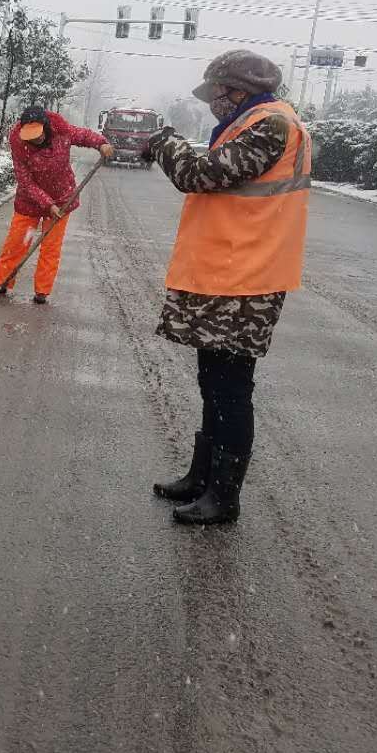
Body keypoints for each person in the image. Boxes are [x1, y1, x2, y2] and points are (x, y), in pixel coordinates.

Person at [141, 50, 311, 525]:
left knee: (230, 388)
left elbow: (200, 174)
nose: (213, 103)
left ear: (238, 90)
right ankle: (203, 478)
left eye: (217, 93)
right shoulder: (252, 121)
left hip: (249, 278)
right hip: (231, 271)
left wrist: (165, 143)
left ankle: (224, 496)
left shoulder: (271, 125)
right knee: (212, 381)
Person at [0, 106, 113, 303]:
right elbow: (25, 181)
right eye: (30, 135)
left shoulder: (61, 132)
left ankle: (42, 291)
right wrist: (48, 204)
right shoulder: (19, 143)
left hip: (62, 200)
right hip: (29, 203)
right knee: (17, 243)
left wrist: (102, 144)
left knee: (50, 247)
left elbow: (83, 135)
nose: (34, 139)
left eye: (37, 134)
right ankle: (1, 283)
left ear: (46, 127)